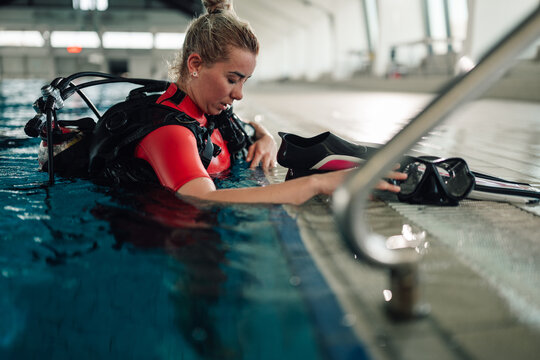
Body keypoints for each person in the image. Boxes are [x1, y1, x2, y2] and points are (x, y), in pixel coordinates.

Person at [133, 0, 406, 205]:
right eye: (232, 79)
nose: (239, 94)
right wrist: (318, 183)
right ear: (195, 64)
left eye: (245, 81)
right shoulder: (170, 132)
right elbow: (203, 199)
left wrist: (264, 138)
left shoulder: (207, 111)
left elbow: (247, 125)